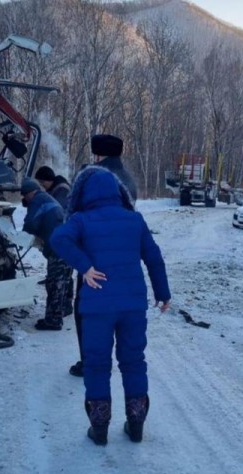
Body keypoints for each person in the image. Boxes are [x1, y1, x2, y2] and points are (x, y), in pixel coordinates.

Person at [51, 166, 171, 445]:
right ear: (119, 192)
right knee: (133, 361)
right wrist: (162, 292)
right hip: (132, 306)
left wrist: (84, 267)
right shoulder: (134, 220)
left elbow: (58, 239)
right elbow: (154, 258)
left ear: (85, 193)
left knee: (96, 365)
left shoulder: (81, 219)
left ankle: (100, 429)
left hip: (96, 308)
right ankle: (136, 424)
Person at [68, 134, 139, 378]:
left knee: (87, 312)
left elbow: (77, 215)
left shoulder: (92, 176)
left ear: (98, 154)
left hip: (94, 258)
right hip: (123, 259)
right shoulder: (129, 179)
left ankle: (91, 363)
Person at [21, 178, 73, 330]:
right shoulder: (48, 198)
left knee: (54, 282)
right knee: (65, 278)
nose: (24, 200)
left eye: (25, 196)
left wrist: (22, 235)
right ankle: (66, 307)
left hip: (58, 246)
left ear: (31, 192)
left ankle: (53, 320)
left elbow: (31, 224)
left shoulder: (38, 200)